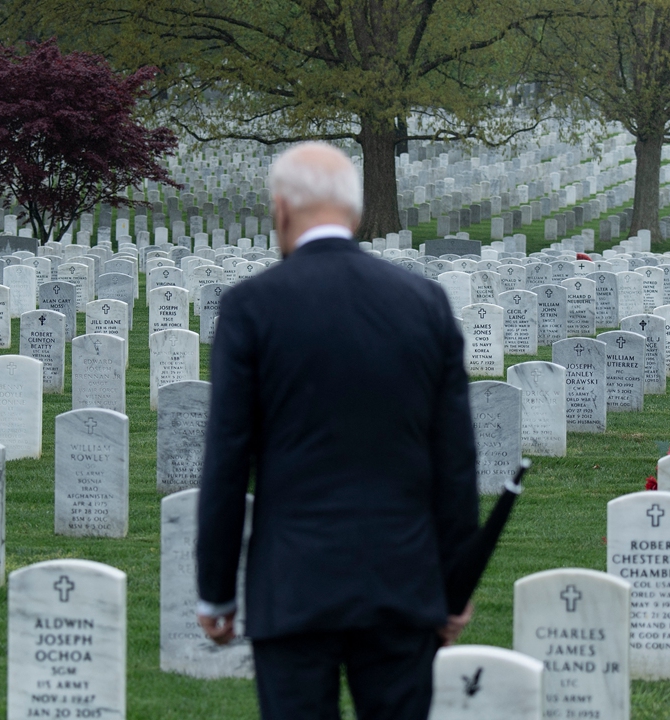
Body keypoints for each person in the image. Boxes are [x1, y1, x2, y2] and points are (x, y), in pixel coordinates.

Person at [195, 142, 479, 720]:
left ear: (280, 209)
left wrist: (216, 590)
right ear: (352, 213)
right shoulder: (425, 303)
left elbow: (227, 460)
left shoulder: (252, 307)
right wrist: (453, 586)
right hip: (402, 582)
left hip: (294, 582)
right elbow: (453, 461)